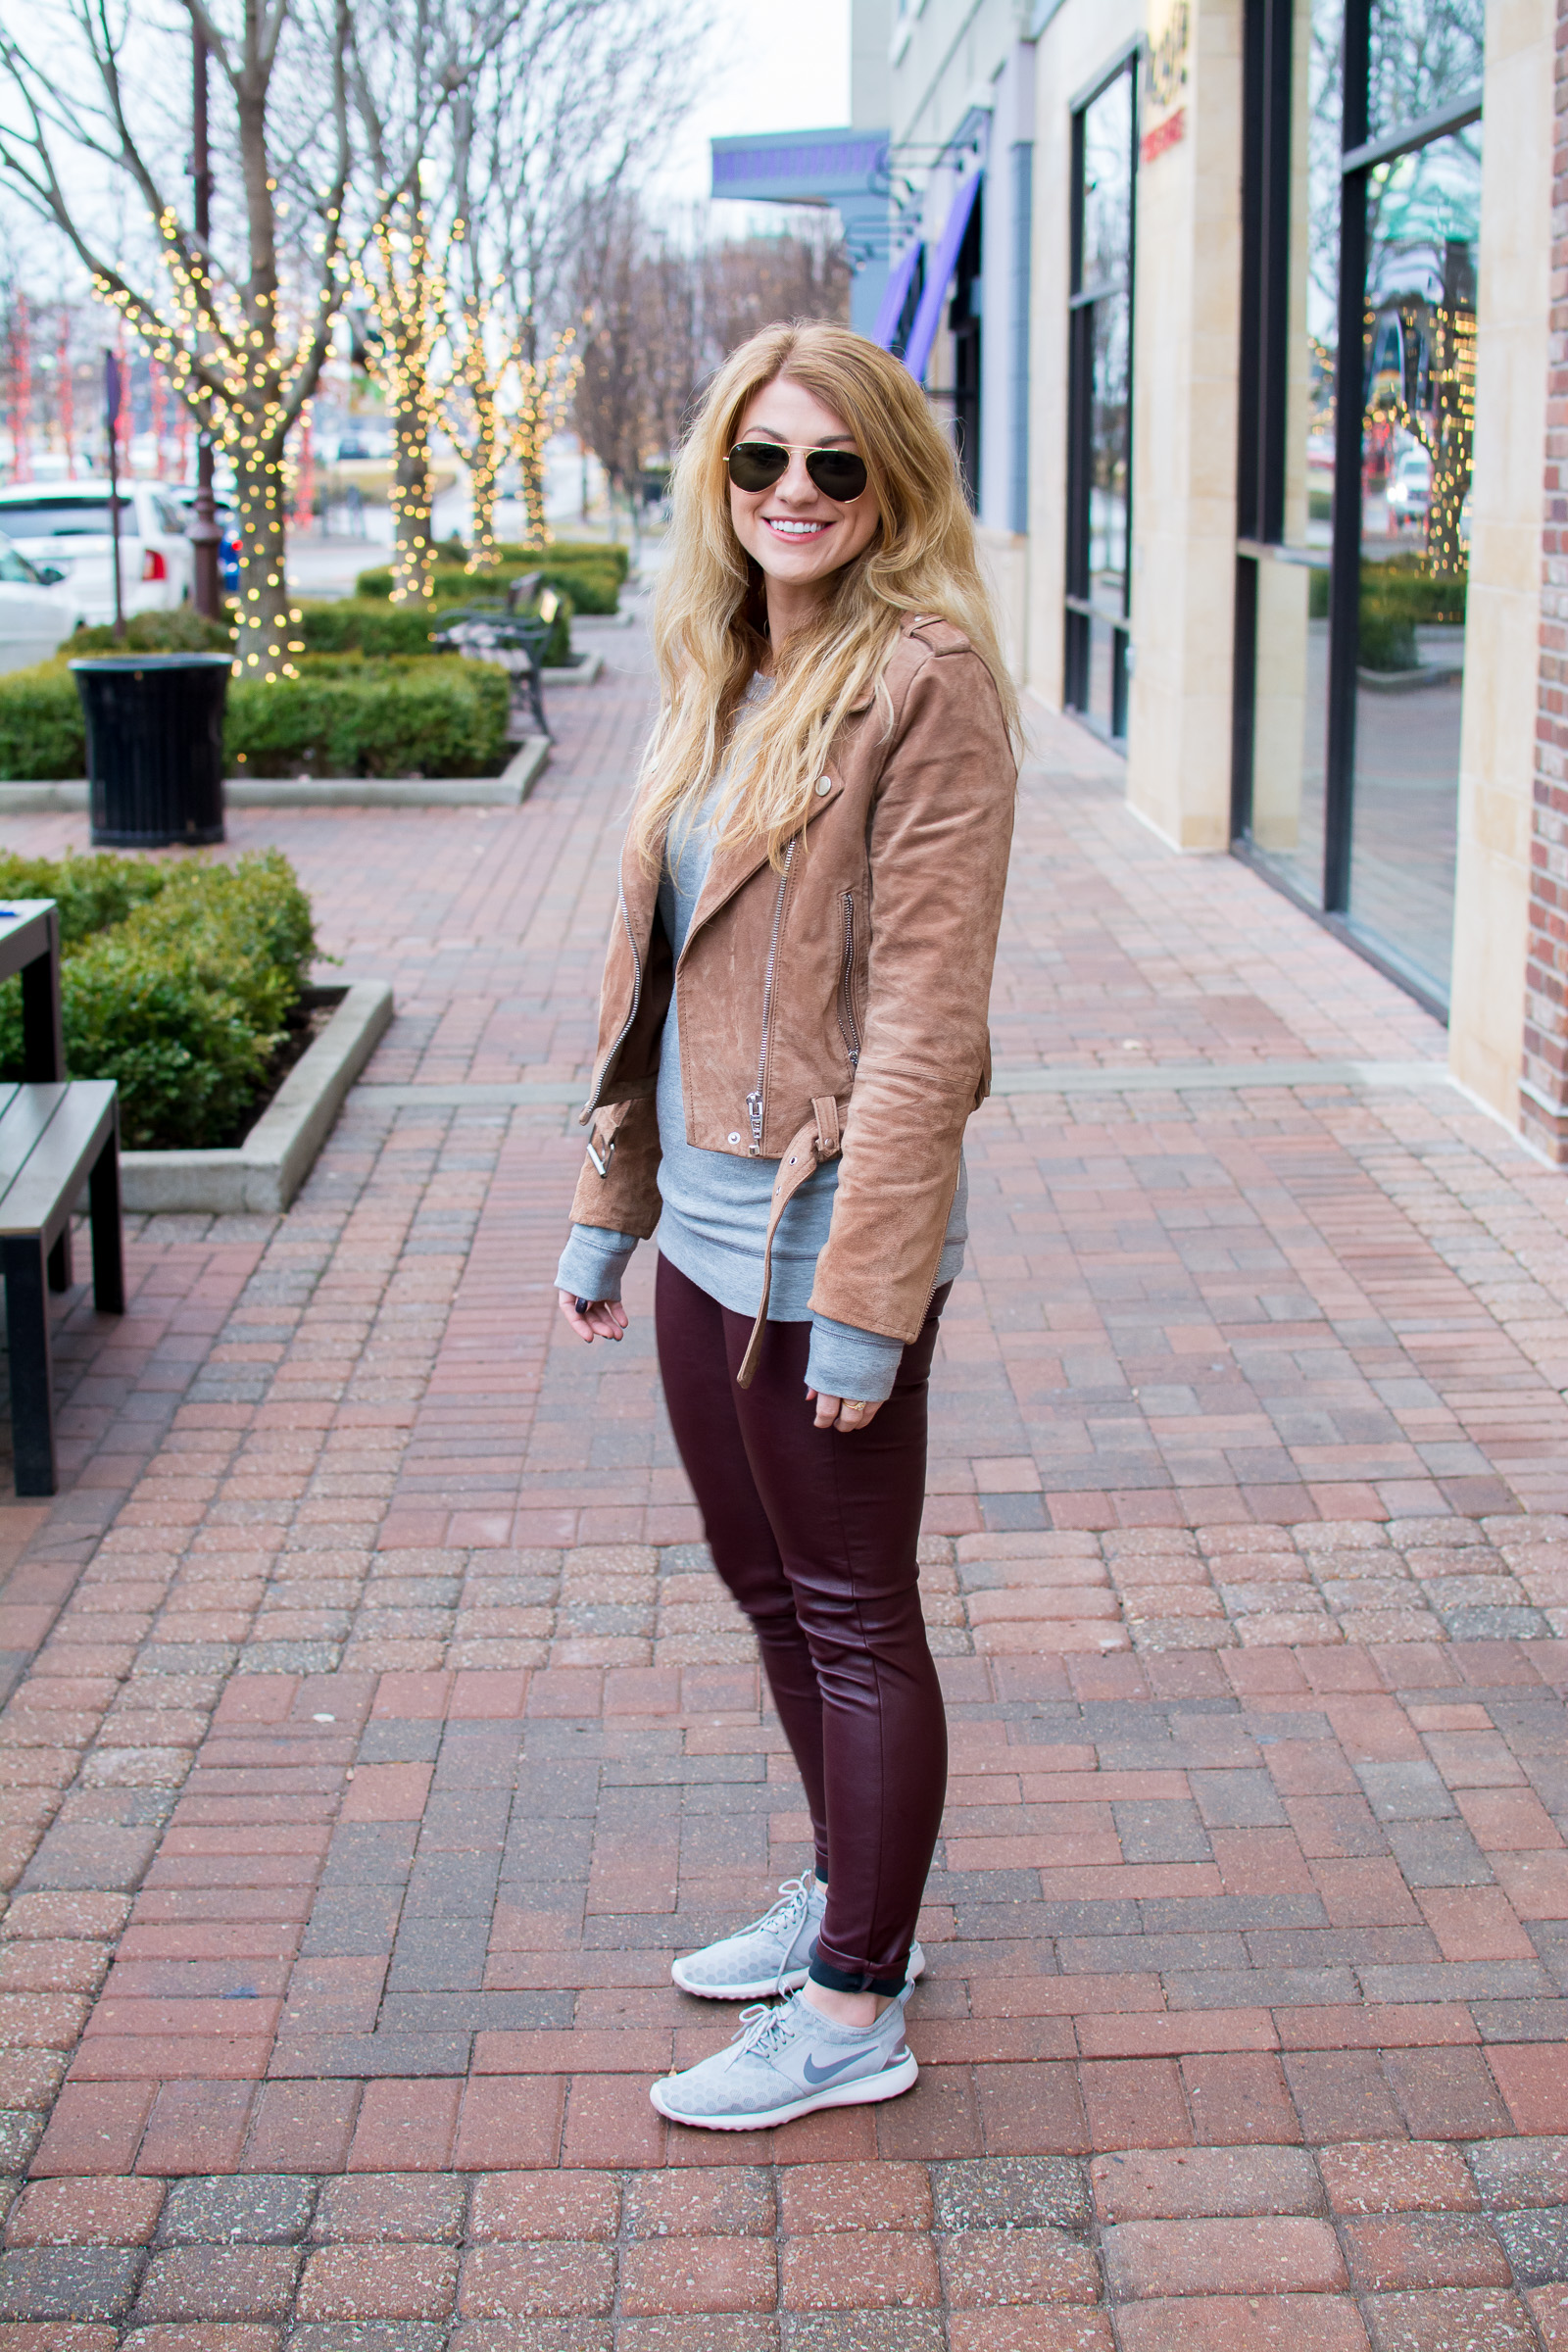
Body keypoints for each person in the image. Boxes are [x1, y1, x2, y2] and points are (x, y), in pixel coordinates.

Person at [556, 320, 1018, 2132]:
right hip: (701, 1227)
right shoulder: (726, 659)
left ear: (889, 479)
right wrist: (612, 1202)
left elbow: (927, 1022)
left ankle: (851, 2012)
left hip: (822, 1239)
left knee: (852, 1612)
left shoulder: (927, 681)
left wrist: (872, 1298)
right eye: (763, 463)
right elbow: (652, 973)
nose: (796, 495)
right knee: (767, 1590)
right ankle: (855, 1897)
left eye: (835, 464)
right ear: (722, 484)